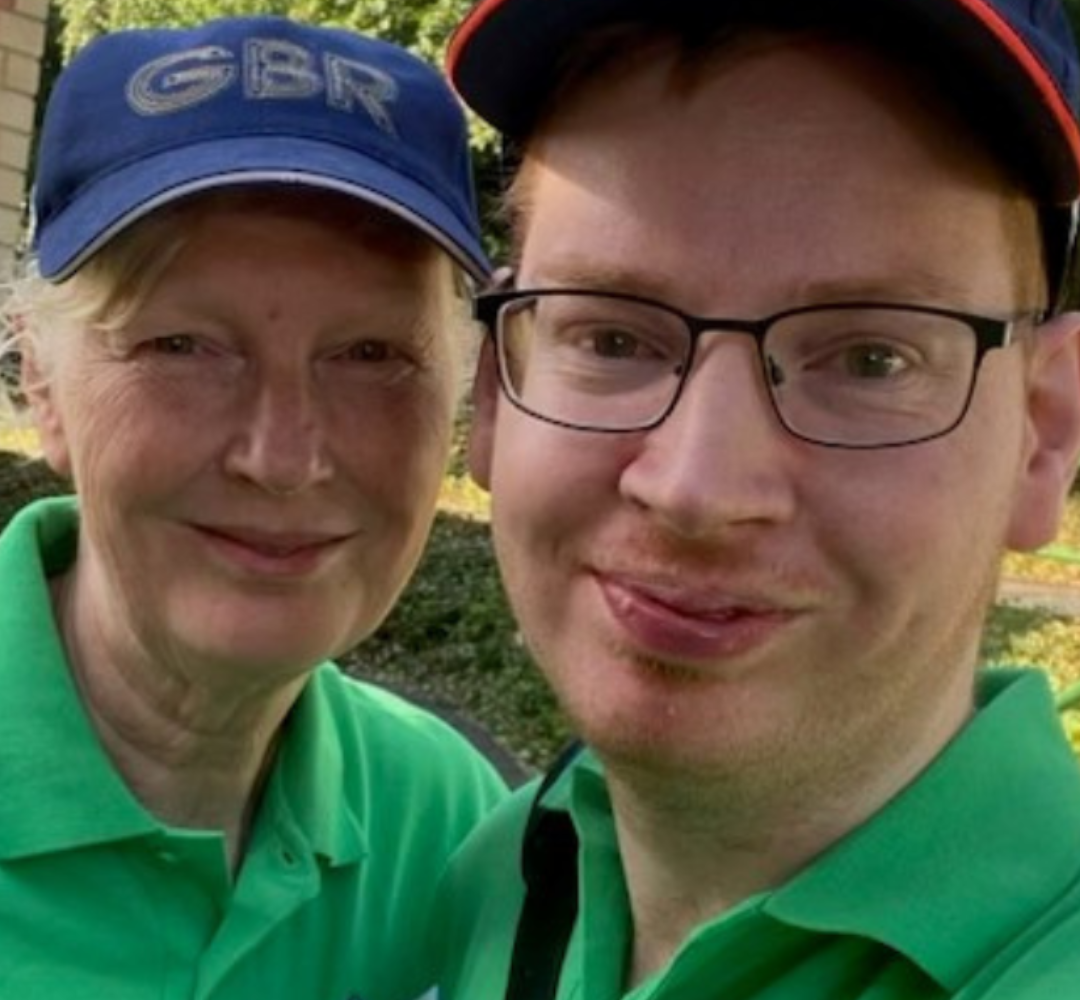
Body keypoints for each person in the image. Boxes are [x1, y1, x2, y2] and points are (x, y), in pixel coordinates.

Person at [429, 0, 1080, 997]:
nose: (697, 488)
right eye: (611, 338)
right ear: (493, 395)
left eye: (869, 357)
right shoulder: (507, 867)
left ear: (1044, 436)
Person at [0, 15, 506, 1000]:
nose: (282, 458)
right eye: (185, 346)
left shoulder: (451, 828)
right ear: (39, 379)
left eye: (372, 356)